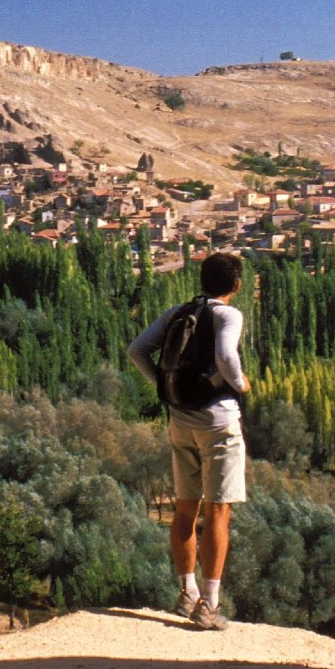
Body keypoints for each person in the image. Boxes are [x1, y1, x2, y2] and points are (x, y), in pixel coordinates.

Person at [127, 251, 250, 630]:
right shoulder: (229, 314)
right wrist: (242, 383)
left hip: (180, 420)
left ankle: (187, 595)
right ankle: (210, 605)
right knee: (218, 510)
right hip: (219, 421)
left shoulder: (177, 313)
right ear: (237, 285)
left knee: (184, 509)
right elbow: (226, 355)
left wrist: (166, 390)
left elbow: (137, 351)